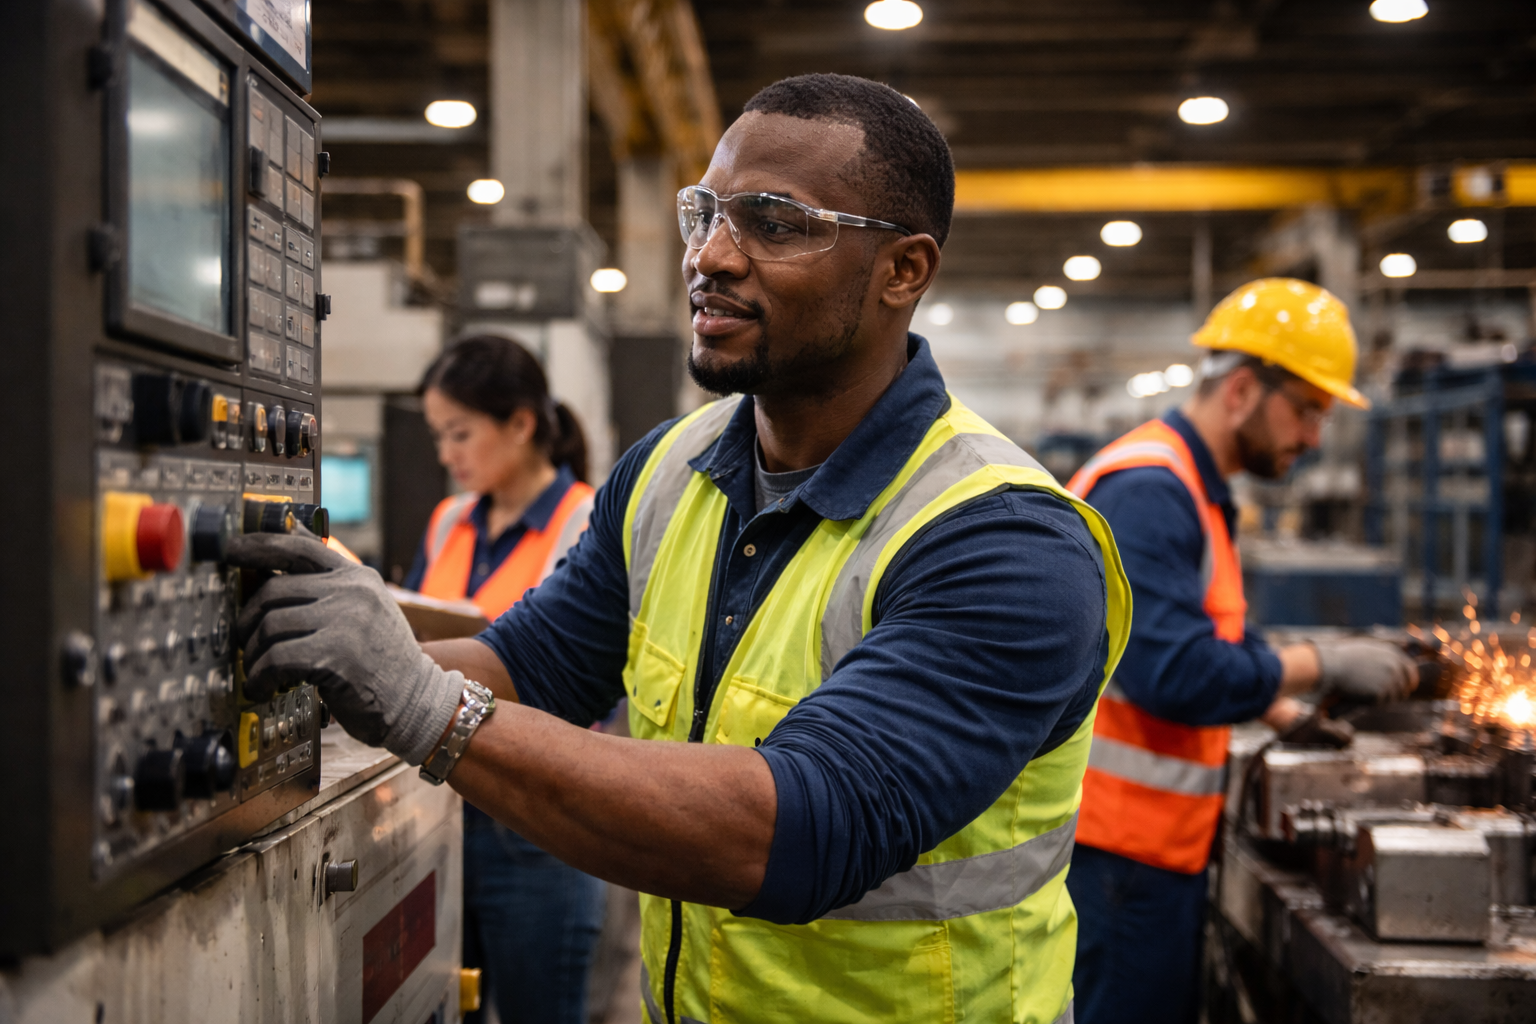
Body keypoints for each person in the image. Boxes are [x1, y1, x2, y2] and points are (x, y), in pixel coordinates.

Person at [228, 73, 1132, 1024]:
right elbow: (534, 664)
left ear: (903, 271)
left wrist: (420, 703)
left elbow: (798, 832)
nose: (711, 256)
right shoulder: (672, 466)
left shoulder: (1005, 541)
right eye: (704, 213)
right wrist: (306, 659)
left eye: (775, 222)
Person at [1064, 278, 1421, 1024]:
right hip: (1116, 856)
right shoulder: (1150, 490)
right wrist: (1319, 663)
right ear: (1241, 391)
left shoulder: (1192, 486)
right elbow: (1173, 672)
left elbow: (1196, 641)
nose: (1315, 437)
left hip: (1150, 849)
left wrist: (1280, 704)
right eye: (1307, 410)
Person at [401, 335, 603, 1024]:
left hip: (534, 821)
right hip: (437, 801)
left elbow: (577, 671)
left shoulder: (588, 520)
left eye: (459, 433)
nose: (446, 454)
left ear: (520, 424)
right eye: (437, 436)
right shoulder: (449, 519)